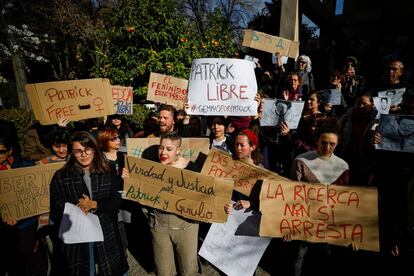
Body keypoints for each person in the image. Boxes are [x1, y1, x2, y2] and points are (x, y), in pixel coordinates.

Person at [49, 131, 129, 275]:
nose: (84, 155)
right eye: (78, 151)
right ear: (71, 153)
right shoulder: (61, 177)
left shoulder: (107, 169)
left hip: (107, 230)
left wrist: (94, 205)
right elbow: (56, 211)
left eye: (88, 149)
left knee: (112, 269)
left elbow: (115, 202)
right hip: (78, 237)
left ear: (94, 149)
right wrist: (75, 212)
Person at [125, 131, 200, 276]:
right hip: (159, 225)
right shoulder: (151, 165)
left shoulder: (191, 168)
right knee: (164, 271)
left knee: (189, 270)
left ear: (178, 150)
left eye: (169, 149)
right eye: (161, 148)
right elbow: (139, 190)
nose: (163, 152)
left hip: (186, 226)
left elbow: (203, 197)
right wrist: (129, 179)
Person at [289, 118, 350, 276]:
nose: (327, 147)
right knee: (299, 257)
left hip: (329, 222)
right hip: (304, 220)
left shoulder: (343, 166)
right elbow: (291, 195)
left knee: (326, 258)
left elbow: (344, 201)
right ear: (316, 140)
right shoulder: (301, 160)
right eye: (323, 142)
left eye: (332, 144)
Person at [0, 135, 48, 276]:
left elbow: (37, 194)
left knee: (31, 261)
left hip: (26, 225)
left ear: (10, 151)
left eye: (1, 152)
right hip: (3, 228)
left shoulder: (25, 167)